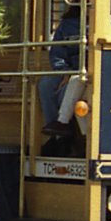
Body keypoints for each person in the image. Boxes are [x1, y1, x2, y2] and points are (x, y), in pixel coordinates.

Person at [40, 7, 83, 135]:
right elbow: (57, 53)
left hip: (90, 71)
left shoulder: (109, 22)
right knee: (45, 84)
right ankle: (54, 128)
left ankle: (62, 126)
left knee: (67, 89)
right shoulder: (68, 25)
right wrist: (64, 71)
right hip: (70, 69)